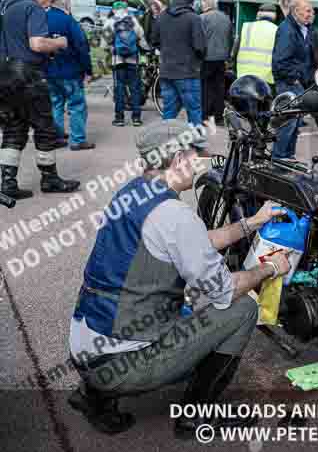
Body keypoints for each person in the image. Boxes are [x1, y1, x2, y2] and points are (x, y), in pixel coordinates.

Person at [67, 120, 293, 437]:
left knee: (185, 304)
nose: (198, 164)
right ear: (176, 161)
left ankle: (93, 397)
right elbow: (224, 291)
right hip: (117, 367)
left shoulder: (131, 194)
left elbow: (194, 241)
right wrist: (270, 269)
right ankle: (194, 418)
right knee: (241, 310)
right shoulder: (174, 215)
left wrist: (253, 222)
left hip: (87, 349)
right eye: (195, 156)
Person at [0, 0, 80, 199]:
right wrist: (59, 42)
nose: (50, 4)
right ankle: (50, 179)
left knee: (13, 129)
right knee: (44, 128)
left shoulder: (4, 5)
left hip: (3, 76)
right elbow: (37, 43)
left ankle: (7, 183)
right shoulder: (32, 8)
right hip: (27, 75)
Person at [272, 0, 318, 160]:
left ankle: (288, 156)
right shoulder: (287, 30)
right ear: (296, 11)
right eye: (308, 11)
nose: (311, 14)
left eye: (312, 11)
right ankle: (279, 158)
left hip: (303, 83)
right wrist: (294, 79)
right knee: (288, 123)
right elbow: (280, 61)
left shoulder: (306, 29)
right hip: (290, 83)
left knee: (295, 122)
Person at [46, 0, 95, 151]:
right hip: (70, 71)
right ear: (67, 5)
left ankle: (57, 136)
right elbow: (82, 46)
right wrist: (88, 70)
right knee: (77, 105)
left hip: (49, 71)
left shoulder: (41, 18)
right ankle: (77, 140)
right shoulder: (69, 21)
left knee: (56, 104)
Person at [154, 0, 206, 126]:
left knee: (169, 111)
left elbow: (154, 40)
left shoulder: (162, 16)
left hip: (167, 71)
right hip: (188, 72)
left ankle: (166, 141)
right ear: (192, 0)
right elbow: (200, 47)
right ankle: (196, 145)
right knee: (194, 111)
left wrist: (167, 51)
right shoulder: (194, 18)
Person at [103, 0, 148, 127]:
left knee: (119, 89)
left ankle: (119, 118)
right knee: (134, 88)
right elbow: (141, 37)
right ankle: (136, 118)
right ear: (126, 9)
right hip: (133, 60)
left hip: (118, 60)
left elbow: (104, 44)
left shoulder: (110, 21)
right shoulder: (133, 20)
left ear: (114, 9)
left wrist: (111, 48)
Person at [199, 0, 232, 125]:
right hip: (221, 58)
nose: (201, 5)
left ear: (207, 4)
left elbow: (199, 39)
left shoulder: (202, 18)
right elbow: (230, 37)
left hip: (207, 58)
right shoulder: (226, 18)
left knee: (205, 87)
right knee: (219, 87)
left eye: (202, 3)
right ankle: (218, 116)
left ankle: (205, 115)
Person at [233, 4, 278, 90]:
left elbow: (235, 50)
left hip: (243, 75)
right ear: (274, 16)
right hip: (266, 78)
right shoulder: (277, 30)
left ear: (258, 15)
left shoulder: (246, 27)